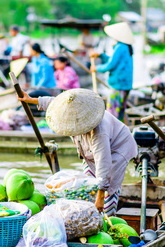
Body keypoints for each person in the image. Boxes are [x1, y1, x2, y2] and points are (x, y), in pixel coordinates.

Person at [17, 88, 137, 216]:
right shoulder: (69, 109)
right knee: (87, 186)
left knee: (108, 189)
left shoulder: (98, 132)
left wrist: (101, 197)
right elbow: (54, 103)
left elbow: (104, 162)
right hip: (90, 153)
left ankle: (109, 218)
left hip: (116, 149)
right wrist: (30, 100)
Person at [90, 22, 134, 124]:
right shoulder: (125, 46)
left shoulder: (120, 47)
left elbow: (111, 65)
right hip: (125, 84)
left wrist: (96, 68)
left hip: (119, 84)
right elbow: (113, 60)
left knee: (113, 113)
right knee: (120, 111)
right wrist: (101, 55)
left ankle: (114, 134)